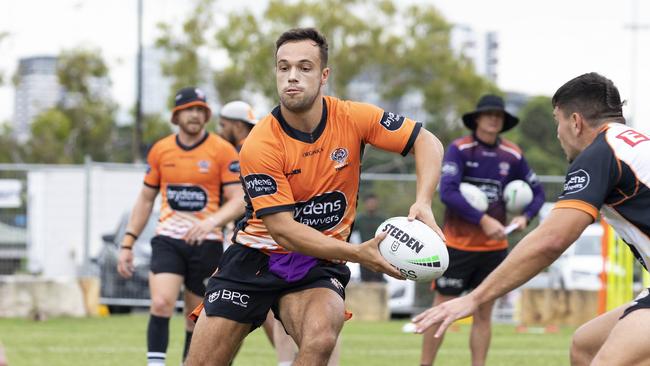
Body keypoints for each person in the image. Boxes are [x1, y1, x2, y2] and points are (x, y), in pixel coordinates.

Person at [186, 27, 445, 366]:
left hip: (318, 262)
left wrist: (423, 201)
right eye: (284, 67)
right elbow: (284, 231)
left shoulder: (353, 117)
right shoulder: (260, 143)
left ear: (323, 75)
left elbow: (428, 142)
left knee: (321, 338)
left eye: (304, 67)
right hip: (255, 257)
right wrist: (357, 253)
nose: (292, 76)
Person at [413, 72, 650, 366]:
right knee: (585, 347)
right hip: (463, 244)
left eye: (557, 122)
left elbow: (552, 239)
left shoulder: (600, 153)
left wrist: (474, 298)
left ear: (575, 122)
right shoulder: (632, 144)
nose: (558, 133)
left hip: (486, 249)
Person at [117, 87, 245, 366]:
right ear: (177, 115)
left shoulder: (222, 150)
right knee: (161, 302)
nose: (196, 115)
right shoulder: (161, 150)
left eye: (201, 110)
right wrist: (127, 243)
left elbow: (238, 200)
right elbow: (145, 199)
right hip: (168, 241)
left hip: (207, 243)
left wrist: (212, 222)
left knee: (195, 317)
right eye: (190, 109)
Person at [420, 94, 545, 366]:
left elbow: (538, 193)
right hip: (457, 246)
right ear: (477, 118)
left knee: (484, 313)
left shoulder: (512, 154)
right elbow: (449, 193)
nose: (493, 119)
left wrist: (525, 217)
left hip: (493, 250)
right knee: (441, 309)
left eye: (498, 116)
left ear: (503, 122)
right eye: (488, 114)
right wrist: (483, 220)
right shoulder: (460, 149)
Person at [218, 100, 301, 366]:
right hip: (266, 239)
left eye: (223, 125)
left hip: (256, 242)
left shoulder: (247, 152)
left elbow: (247, 204)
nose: (220, 131)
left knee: (231, 311)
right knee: (261, 310)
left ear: (236, 125)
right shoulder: (265, 144)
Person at [354, 193, 388, 282]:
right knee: (365, 280)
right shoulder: (359, 219)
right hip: (364, 253)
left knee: (379, 279)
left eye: (373, 202)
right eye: (369, 202)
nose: (371, 204)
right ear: (365, 204)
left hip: (380, 253)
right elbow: (349, 232)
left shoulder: (382, 220)